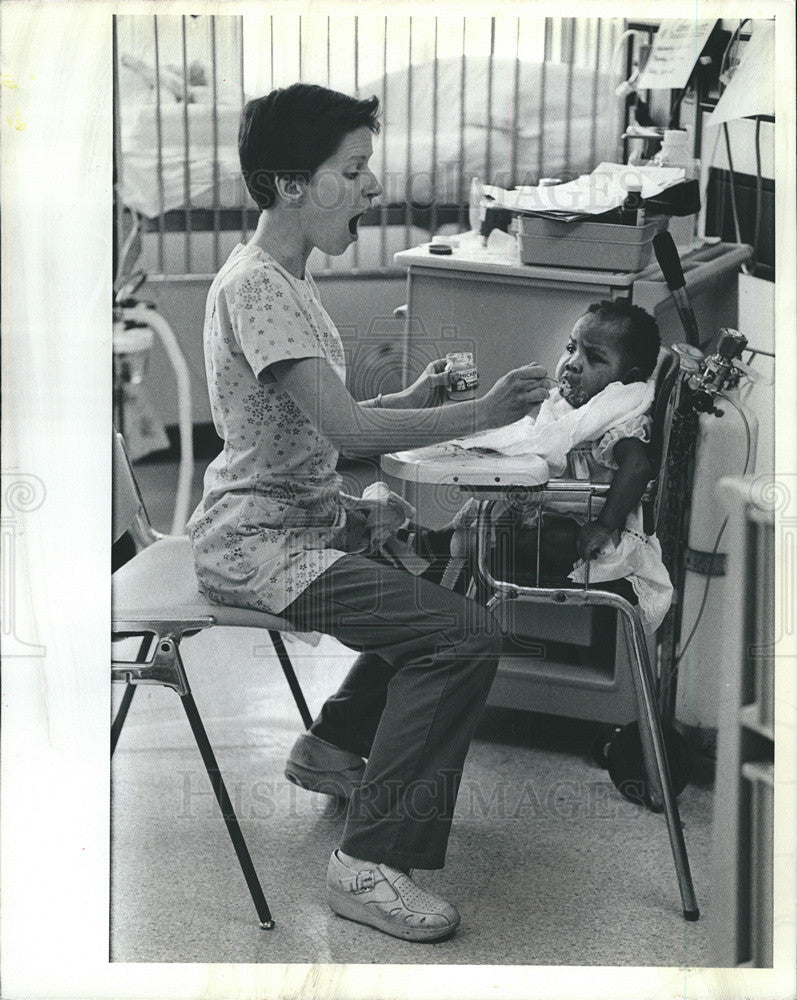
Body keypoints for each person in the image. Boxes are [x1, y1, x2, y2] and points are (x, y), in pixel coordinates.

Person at [186, 83, 549, 943]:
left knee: (437, 577)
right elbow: (346, 431)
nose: (373, 188)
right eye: (352, 171)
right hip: (258, 544)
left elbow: (313, 415)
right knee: (460, 633)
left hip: (290, 521)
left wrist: (418, 397)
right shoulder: (263, 288)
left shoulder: (279, 278)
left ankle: (334, 748)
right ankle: (368, 864)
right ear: (288, 185)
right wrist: (479, 415)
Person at [446, 299, 673, 631]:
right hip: (556, 514)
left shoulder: (620, 418)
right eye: (571, 347)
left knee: (512, 539)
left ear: (628, 378)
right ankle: (443, 555)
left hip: (593, 535)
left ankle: (445, 575)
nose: (572, 363)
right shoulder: (573, 411)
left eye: (593, 358)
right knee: (487, 519)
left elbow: (637, 468)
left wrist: (604, 525)